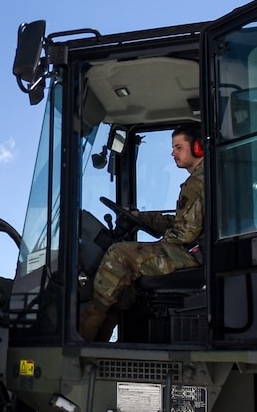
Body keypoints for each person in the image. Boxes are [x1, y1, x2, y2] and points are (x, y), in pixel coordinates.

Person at [80, 122, 206, 341]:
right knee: (126, 276)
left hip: (191, 253)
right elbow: (180, 222)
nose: (173, 153)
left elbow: (184, 233)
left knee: (117, 254)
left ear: (197, 147)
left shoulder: (197, 183)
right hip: (195, 252)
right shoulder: (204, 178)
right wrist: (141, 219)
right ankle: (101, 340)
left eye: (179, 147)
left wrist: (160, 243)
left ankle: (84, 334)